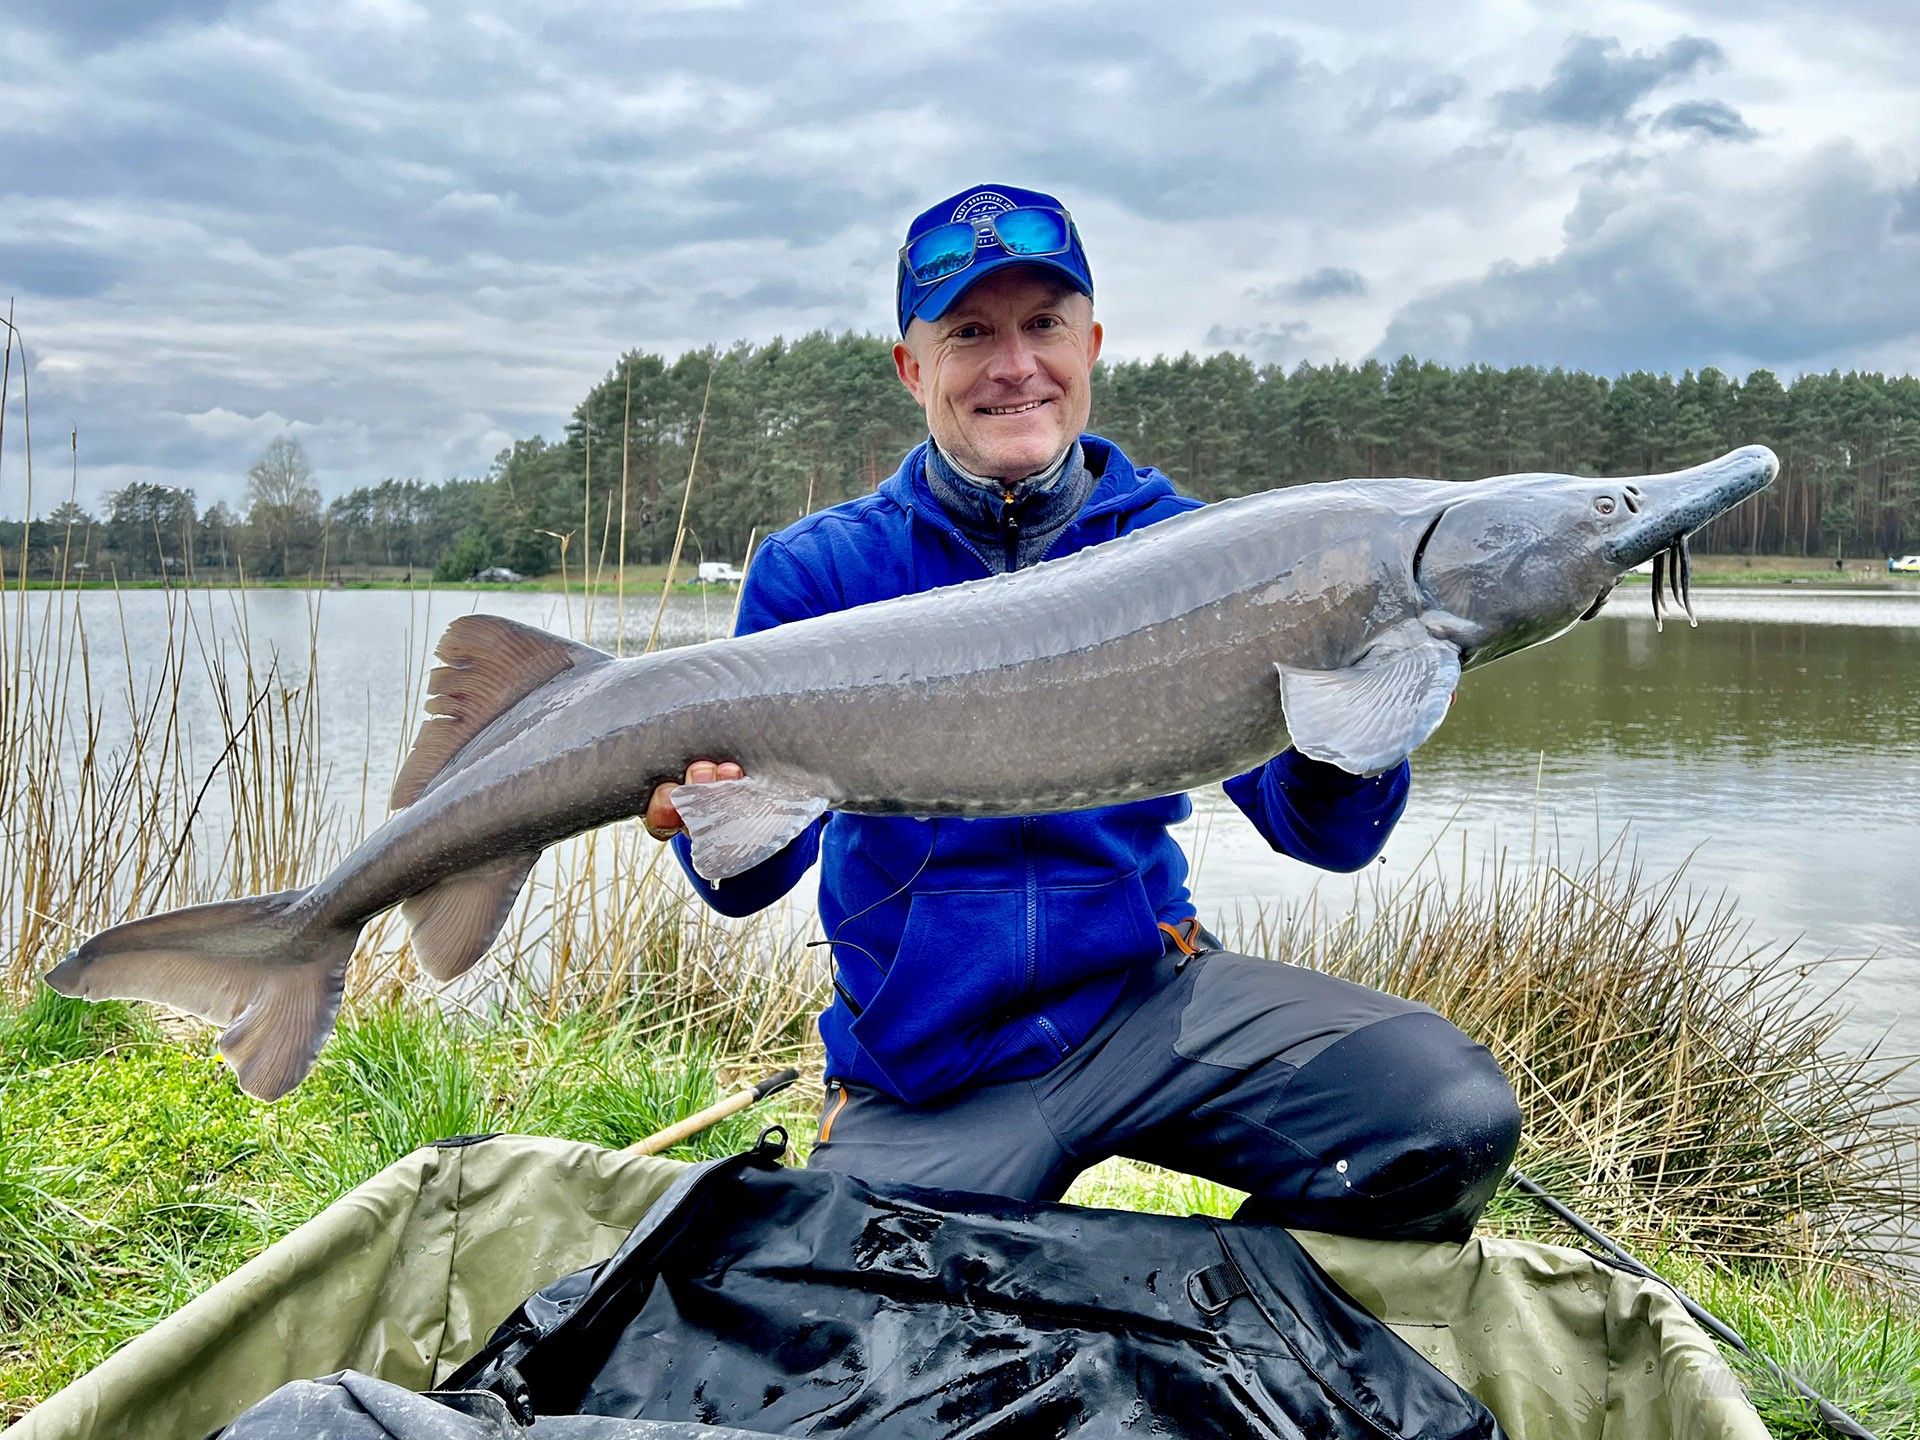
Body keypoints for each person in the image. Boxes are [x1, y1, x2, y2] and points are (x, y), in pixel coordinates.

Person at [645, 184, 1520, 1240]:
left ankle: (1221, 1331)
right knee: (852, 1314)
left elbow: (1323, 838)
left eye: (1044, 325)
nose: (1015, 364)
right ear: (911, 367)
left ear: (1092, 344)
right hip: (928, 1065)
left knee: (1443, 1117)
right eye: (971, 331)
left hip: (1150, 1011)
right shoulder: (820, 572)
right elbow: (749, 883)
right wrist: (709, 819)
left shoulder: (1205, 550)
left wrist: (1370, 697)